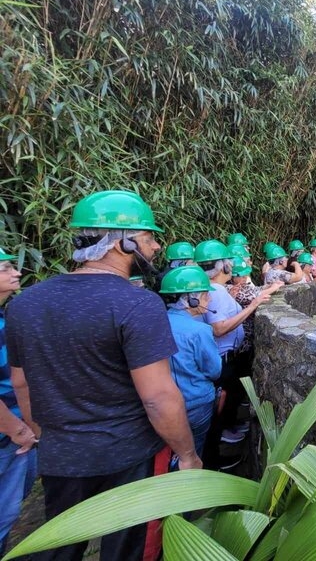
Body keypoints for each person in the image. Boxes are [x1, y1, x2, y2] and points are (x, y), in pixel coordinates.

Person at [7, 190, 201, 561]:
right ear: (123, 243)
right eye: (148, 238)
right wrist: (187, 454)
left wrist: (48, 435)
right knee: (127, 550)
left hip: (62, 458)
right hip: (128, 460)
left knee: (60, 546)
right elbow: (158, 397)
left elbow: (22, 382)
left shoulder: (24, 304)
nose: (157, 246)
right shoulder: (138, 304)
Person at [194, 239, 271, 462]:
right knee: (219, 414)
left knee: (223, 407)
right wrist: (253, 305)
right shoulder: (216, 290)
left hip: (224, 357)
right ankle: (216, 460)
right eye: (229, 262)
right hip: (223, 359)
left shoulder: (215, 289)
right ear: (223, 266)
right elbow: (219, 328)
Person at [159, 266, 222, 458]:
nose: (209, 300)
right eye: (205, 296)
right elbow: (214, 371)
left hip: (162, 405)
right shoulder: (199, 331)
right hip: (195, 403)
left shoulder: (154, 322)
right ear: (191, 299)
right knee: (193, 451)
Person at [0, 248, 37, 557]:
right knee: (4, 514)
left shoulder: (4, 316)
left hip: (14, 431)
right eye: (6, 268)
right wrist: (18, 430)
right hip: (8, 434)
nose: (17, 272)